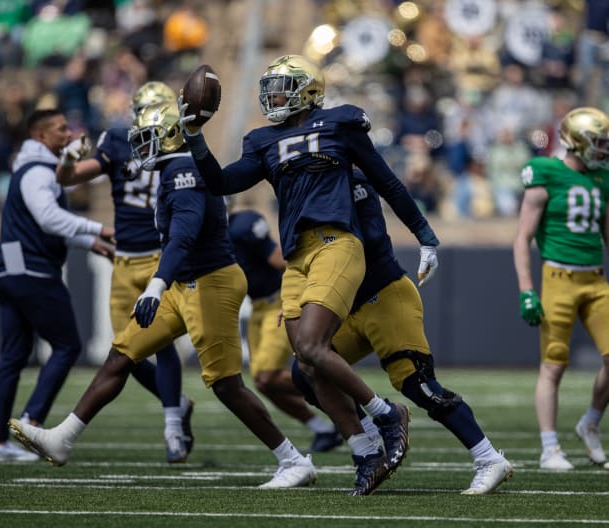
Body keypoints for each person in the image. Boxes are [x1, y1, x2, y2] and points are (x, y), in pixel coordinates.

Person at [8, 101, 317, 489]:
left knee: (225, 384)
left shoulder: (183, 169)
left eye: (146, 139)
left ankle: (292, 460)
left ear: (168, 137)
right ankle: (63, 437)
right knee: (122, 353)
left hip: (210, 282)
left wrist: (156, 283)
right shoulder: (173, 168)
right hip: (185, 282)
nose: (139, 148)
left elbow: (184, 235)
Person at [179, 54, 440, 495]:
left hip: (338, 242)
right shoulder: (262, 141)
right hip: (298, 256)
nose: (273, 96)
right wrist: (194, 138)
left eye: (281, 87)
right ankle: (363, 448)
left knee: (315, 347)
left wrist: (425, 235)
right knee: (306, 362)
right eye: (271, 88)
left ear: (306, 90)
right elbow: (221, 183)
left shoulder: (339, 124)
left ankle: (384, 412)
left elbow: (387, 181)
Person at [293, 168, 514, 494]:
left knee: (418, 385)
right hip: (347, 307)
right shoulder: (306, 185)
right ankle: (370, 440)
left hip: (384, 295)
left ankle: (488, 458)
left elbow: (357, 244)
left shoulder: (353, 181)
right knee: (307, 370)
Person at [56, 81, 194, 463]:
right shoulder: (119, 139)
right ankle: (179, 404)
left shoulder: (183, 144)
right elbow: (69, 178)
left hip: (158, 258)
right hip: (123, 260)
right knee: (125, 354)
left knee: (163, 347)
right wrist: (68, 158)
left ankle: (172, 426)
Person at [0, 108, 115, 462]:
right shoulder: (39, 171)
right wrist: (97, 229)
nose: (68, 135)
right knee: (67, 345)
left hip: (9, 270)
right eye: (60, 130)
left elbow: (40, 224)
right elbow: (49, 219)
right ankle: (32, 421)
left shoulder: (27, 168)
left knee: (12, 356)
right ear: (40, 136)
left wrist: (89, 244)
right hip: (34, 271)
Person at [513, 106, 609, 470]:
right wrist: (526, 289)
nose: (603, 150)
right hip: (559, 279)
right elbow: (522, 238)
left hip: (596, 280)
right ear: (579, 142)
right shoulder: (545, 172)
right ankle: (550, 448)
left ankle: (590, 423)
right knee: (553, 365)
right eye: (598, 143)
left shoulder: (603, 179)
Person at [227, 204, 342, 453]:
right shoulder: (207, 234)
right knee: (263, 382)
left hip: (277, 302)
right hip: (257, 307)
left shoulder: (242, 224)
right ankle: (323, 428)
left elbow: (280, 258)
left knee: (267, 375)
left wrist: (302, 292)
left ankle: (343, 390)